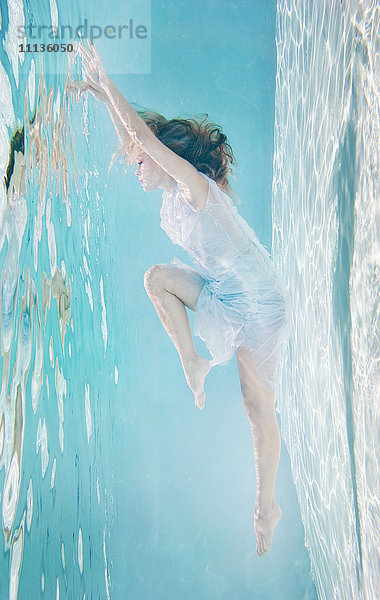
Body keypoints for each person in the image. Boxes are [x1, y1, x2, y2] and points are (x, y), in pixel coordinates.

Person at [73, 40, 289, 557]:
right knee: (157, 279)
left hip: (258, 301)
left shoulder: (194, 188)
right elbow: (138, 138)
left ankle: (266, 507)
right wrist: (101, 98)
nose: (133, 164)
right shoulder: (174, 194)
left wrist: (108, 82)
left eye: (138, 158)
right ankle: (192, 358)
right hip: (223, 292)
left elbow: (142, 136)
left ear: (163, 156)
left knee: (256, 405)